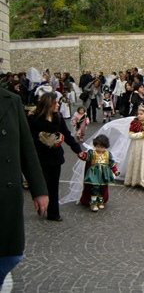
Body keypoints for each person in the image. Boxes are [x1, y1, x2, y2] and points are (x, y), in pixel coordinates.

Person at [0, 87, 49, 288]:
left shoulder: (11, 100)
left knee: (8, 255)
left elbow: (26, 146)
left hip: (5, 192)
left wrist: (39, 189)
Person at [28, 92, 83, 221]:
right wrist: (44, 140)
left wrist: (78, 151)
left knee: (53, 186)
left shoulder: (58, 118)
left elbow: (67, 135)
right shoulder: (33, 119)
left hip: (54, 158)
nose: (58, 105)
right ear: (48, 104)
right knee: (41, 185)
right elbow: (29, 138)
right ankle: (41, 206)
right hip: (40, 157)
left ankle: (53, 213)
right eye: (56, 103)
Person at [79, 135, 120, 212]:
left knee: (102, 188)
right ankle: (93, 202)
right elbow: (86, 157)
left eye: (102, 147)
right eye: (98, 146)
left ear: (105, 146)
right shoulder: (92, 153)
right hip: (94, 174)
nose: (100, 149)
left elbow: (112, 163)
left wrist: (116, 171)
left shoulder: (108, 154)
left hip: (104, 174)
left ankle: (101, 201)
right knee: (95, 187)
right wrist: (82, 155)